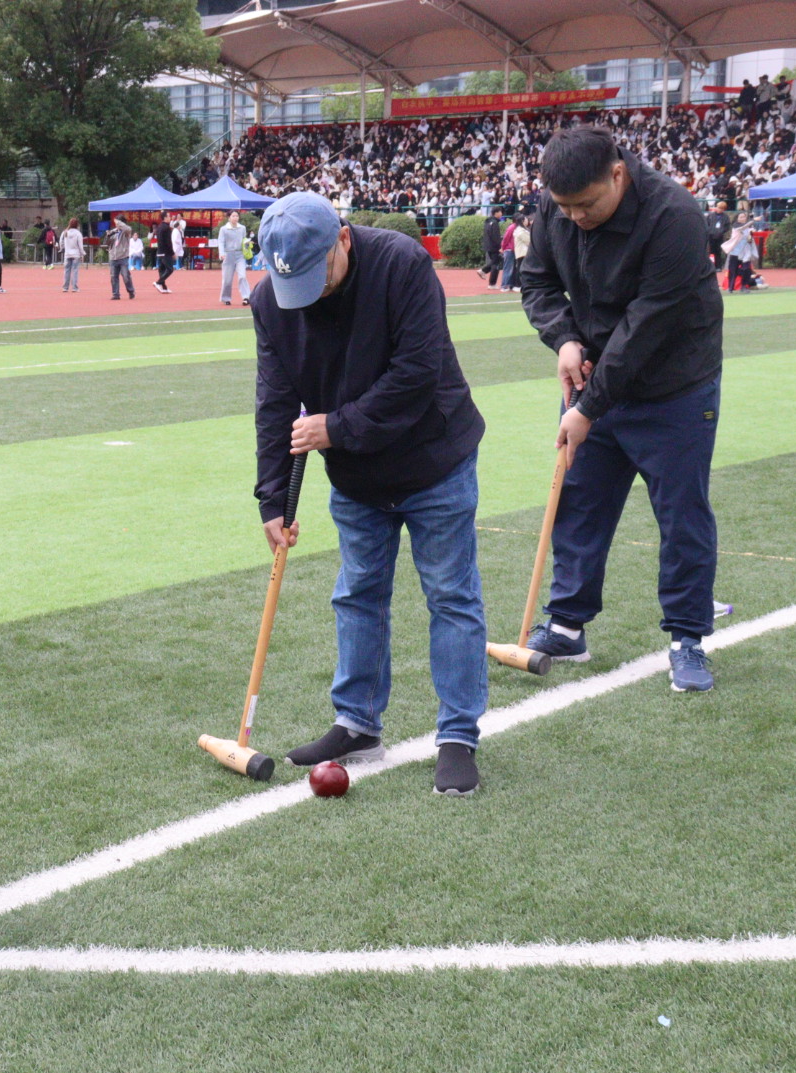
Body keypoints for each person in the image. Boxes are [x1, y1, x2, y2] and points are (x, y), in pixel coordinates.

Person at [252, 191, 488, 796]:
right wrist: (272, 498)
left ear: (343, 238)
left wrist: (336, 427)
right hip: (357, 477)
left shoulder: (402, 264)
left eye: (318, 275)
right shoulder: (271, 302)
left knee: (451, 596)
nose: (310, 295)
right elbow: (275, 400)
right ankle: (357, 724)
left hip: (433, 457)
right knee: (357, 594)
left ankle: (457, 736)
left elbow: (417, 372)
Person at [519, 126, 722, 693]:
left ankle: (687, 638)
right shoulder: (557, 205)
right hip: (594, 379)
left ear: (617, 174)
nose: (575, 217)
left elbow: (645, 327)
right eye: (564, 207)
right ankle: (567, 625)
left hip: (675, 384)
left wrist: (586, 408)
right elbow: (536, 282)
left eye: (586, 205)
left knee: (682, 515)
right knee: (579, 502)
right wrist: (563, 338)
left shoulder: (674, 216)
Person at [217, 211, 250, 306]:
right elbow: (221, 242)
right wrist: (222, 253)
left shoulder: (242, 228)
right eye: (233, 216)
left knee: (242, 276)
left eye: (237, 216)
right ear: (229, 217)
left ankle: (246, 297)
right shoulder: (224, 229)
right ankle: (225, 298)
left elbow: (244, 239)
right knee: (227, 279)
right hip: (228, 255)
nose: (235, 218)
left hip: (240, 255)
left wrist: (247, 246)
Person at [724, 212, 758, 292]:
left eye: (744, 217)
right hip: (735, 252)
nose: (743, 218)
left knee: (746, 269)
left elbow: (750, 239)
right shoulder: (736, 226)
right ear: (737, 218)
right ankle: (731, 287)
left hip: (745, 252)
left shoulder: (749, 228)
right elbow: (742, 228)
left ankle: (744, 286)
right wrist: (753, 220)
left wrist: (750, 239)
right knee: (733, 270)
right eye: (741, 217)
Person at [106, 218, 135, 300]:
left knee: (125, 276)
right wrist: (108, 236)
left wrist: (118, 222)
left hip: (123, 257)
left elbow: (128, 228)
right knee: (113, 277)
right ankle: (116, 294)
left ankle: (131, 291)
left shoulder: (126, 232)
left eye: (118, 223)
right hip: (113, 257)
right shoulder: (113, 232)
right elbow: (109, 243)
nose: (117, 225)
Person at [704, 200, 731, 273]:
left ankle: (718, 266)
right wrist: (709, 230)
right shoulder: (710, 215)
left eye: (721, 208)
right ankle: (710, 266)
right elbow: (706, 223)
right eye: (718, 207)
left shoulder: (725, 217)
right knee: (710, 251)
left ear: (723, 209)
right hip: (711, 236)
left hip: (720, 236)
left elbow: (727, 226)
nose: (718, 209)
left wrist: (722, 231)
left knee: (718, 252)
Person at [479, 207, 503, 287]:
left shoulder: (488, 222)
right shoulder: (495, 223)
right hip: (494, 247)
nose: (501, 214)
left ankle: (483, 270)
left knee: (494, 262)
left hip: (488, 245)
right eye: (500, 212)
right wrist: (500, 246)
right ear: (496, 213)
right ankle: (492, 283)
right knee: (495, 264)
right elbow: (496, 237)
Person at [59, 217, 84, 292]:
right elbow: (80, 245)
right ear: (77, 225)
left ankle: (65, 287)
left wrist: (62, 248)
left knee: (67, 271)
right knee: (75, 271)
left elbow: (61, 241)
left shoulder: (65, 232)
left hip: (67, 254)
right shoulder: (78, 233)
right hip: (76, 254)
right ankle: (74, 287)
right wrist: (82, 254)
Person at [153, 216, 175, 293]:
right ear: (165, 218)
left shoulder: (159, 227)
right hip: (166, 252)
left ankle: (164, 287)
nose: (170, 218)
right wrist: (172, 253)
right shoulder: (166, 228)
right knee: (170, 269)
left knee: (161, 269)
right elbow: (168, 242)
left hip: (159, 251)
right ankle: (158, 283)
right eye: (168, 216)